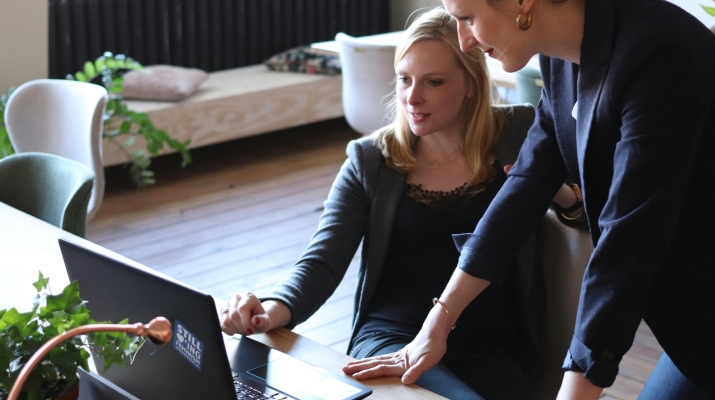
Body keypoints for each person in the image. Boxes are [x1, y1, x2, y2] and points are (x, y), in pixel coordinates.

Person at [344, 0, 715, 399]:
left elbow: (628, 244)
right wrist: (438, 322)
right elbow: (527, 182)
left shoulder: (659, 51)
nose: (463, 41)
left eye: (467, 19)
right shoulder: (563, 59)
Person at [220, 8, 582, 399]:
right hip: (390, 338)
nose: (412, 97)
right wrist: (272, 308)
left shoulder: (521, 131)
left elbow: (587, 217)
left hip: (494, 347)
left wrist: (555, 191)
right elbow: (322, 261)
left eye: (434, 82)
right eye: (404, 79)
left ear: (471, 84)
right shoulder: (371, 160)